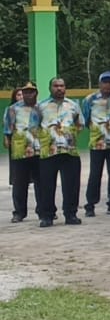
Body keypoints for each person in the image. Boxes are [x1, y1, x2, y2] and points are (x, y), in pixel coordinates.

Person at [36, 77, 85, 227]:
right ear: (50, 88)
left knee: (71, 185)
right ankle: (47, 216)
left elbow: (80, 124)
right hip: (48, 152)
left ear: (65, 88)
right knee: (46, 185)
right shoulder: (41, 106)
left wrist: (69, 136)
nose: (59, 88)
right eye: (56, 86)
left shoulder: (73, 105)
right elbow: (35, 125)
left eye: (62, 86)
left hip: (69, 152)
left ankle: (71, 214)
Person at [83, 71, 110, 217]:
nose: (107, 85)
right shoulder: (90, 100)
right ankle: (90, 204)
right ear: (99, 83)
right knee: (95, 174)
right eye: (105, 82)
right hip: (97, 143)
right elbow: (86, 119)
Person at [5, 82, 42, 223]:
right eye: (26, 92)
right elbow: (8, 128)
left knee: (41, 182)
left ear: (36, 93)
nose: (28, 94)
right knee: (19, 183)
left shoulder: (41, 108)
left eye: (31, 91)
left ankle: (43, 210)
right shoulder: (13, 109)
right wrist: (7, 139)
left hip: (39, 150)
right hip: (20, 151)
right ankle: (19, 212)